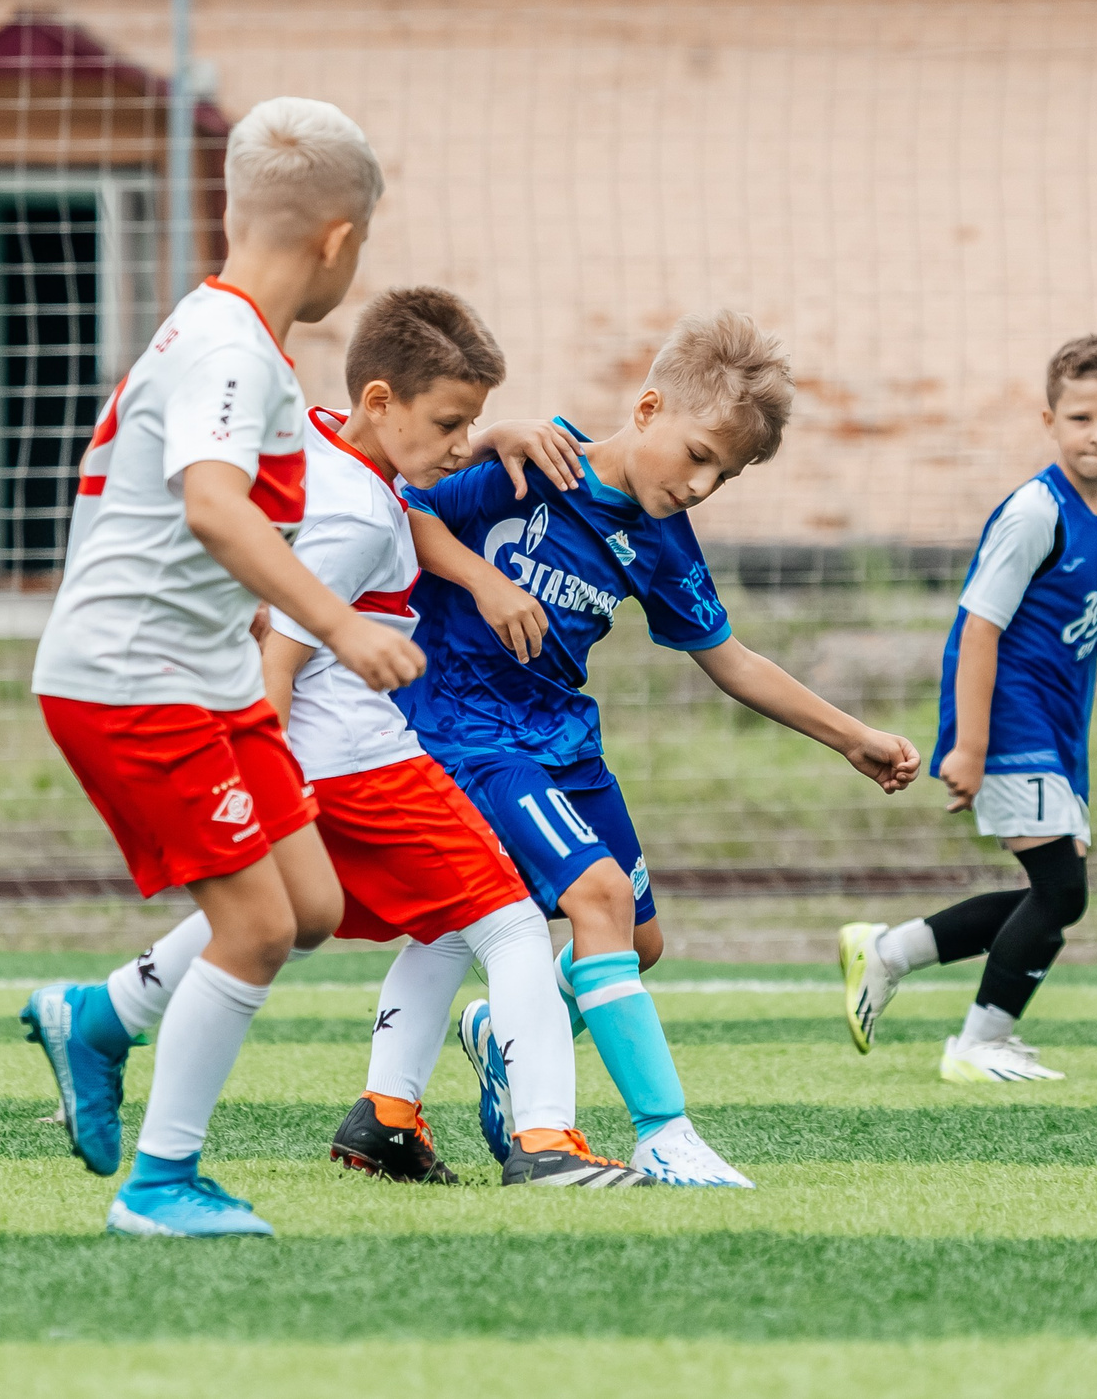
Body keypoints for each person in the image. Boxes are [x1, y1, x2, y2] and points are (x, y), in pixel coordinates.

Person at [62, 288, 649, 1189]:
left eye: (471, 423)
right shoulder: (350, 515)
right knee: (511, 924)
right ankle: (543, 1142)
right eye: (451, 422)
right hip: (351, 758)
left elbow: (402, 494)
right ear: (383, 402)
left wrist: (484, 463)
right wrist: (267, 780)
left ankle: (108, 1015)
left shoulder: (338, 440)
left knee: (301, 919)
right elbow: (279, 659)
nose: (461, 444)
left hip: (325, 757)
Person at [390, 311, 921, 1186]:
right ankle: (662, 1132)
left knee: (638, 942)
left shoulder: (663, 540)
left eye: (730, 474)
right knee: (596, 897)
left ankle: (503, 1034)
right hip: (470, 733)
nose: (707, 485)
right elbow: (397, 510)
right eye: (701, 454)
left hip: (562, 738)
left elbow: (733, 661)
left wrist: (853, 738)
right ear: (647, 408)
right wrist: (484, 472)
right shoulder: (535, 462)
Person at [18, 96, 417, 1237]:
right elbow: (210, 508)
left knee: (311, 905)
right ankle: (160, 1185)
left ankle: (97, 1016)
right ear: (340, 238)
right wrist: (340, 626)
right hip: (134, 680)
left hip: (201, 671)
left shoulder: (234, 336)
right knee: (250, 924)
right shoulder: (233, 349)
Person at [838, 334, 1097, 1082]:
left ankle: (888, 952)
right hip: (1010, 717)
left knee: (1052, 893)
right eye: (1082, 417)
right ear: (1050, 420)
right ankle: (976, 1045)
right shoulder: (1034, 512)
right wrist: (967, 743)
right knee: (1062, 891)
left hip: (1063, 724)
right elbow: (976, 630)